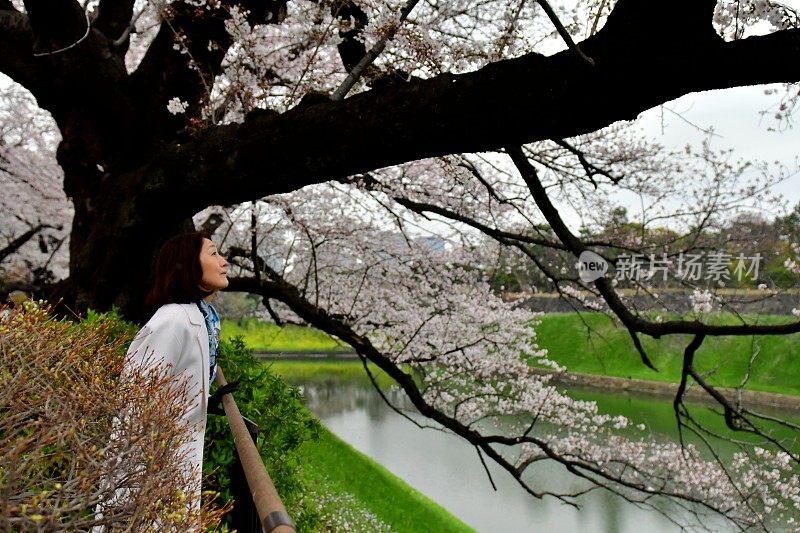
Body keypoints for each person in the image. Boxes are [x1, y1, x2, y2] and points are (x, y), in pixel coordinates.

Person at [94, 232, 229, 530]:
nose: (224, 262)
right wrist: (135, 488)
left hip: (174, 461)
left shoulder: (201, 318)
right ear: (188, 265)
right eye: (213, 253)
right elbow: (135, 404)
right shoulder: (172, 321)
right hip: (152, 470)